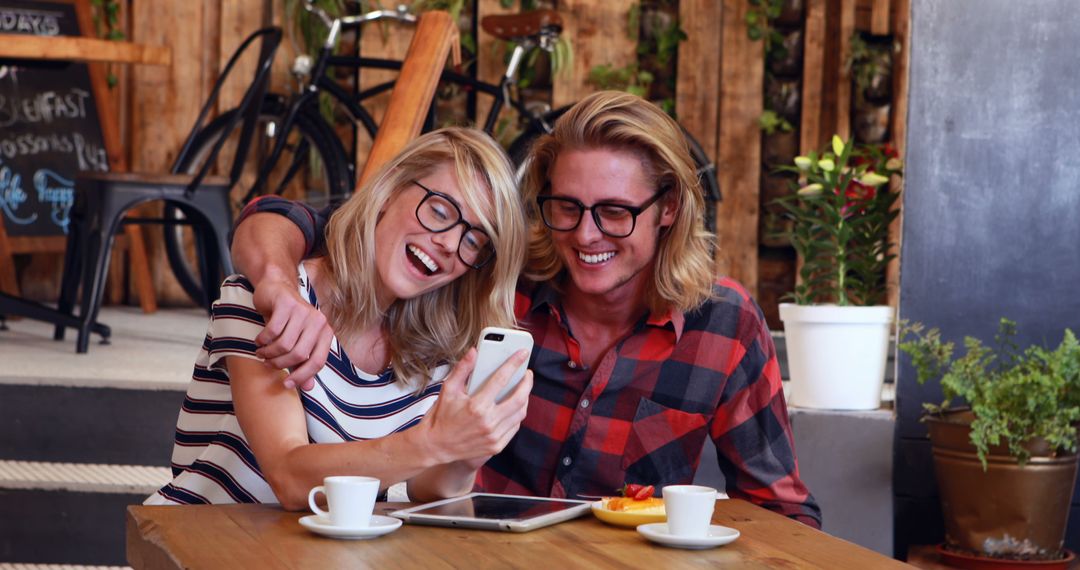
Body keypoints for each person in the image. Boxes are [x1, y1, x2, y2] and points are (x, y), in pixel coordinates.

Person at [231, 92, 822, 528]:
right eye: (566, 207)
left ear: (667, 208)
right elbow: (305, 222)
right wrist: (277, 281)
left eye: (615, 212)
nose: (587, 235)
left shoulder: (724, 324)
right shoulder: (492, 292)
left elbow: (782, 510)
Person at [147, 127, 532, 508]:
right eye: (439, 211)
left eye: (472, 240)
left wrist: (468, 450)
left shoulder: (440, 348)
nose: (449, 243)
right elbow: (288, 475)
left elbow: (430, 492)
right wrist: (433, 442)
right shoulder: (276, 299)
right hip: (208, 547)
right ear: (391, 188)